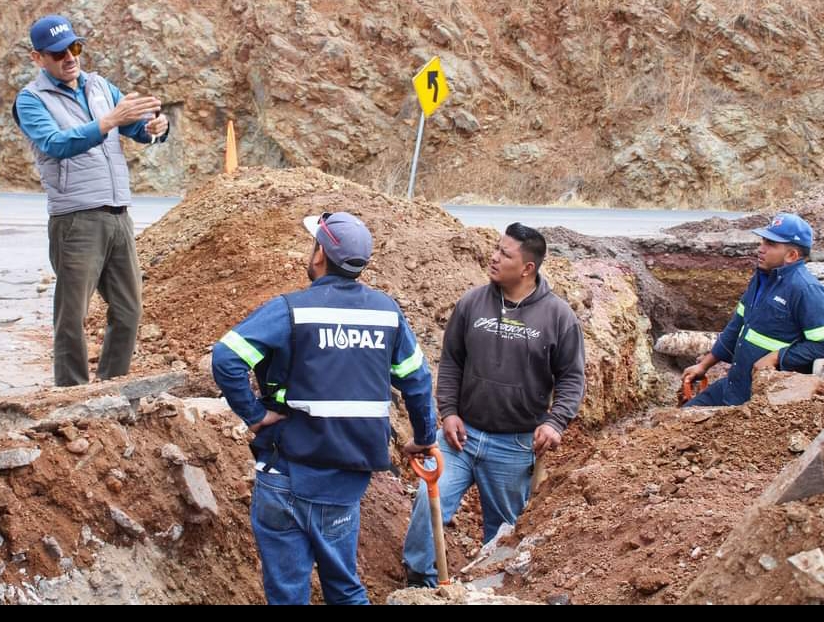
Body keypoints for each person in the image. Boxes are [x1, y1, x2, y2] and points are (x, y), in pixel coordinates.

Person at [212, 212, 437, 604]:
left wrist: (254, 414)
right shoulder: (386, 313)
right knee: (344, 587)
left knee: (287, 592)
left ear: (320, 255)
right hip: (343, 481)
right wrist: (424, 437)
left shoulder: (291, 310)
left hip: (284, 472)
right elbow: (417, 382)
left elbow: (226, 356)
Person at [402, 223, 586, 587]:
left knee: (502, 533)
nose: (494, 257)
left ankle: (486, 591)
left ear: (528, 268)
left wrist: (555, 422)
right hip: (460, 436)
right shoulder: (472, 303)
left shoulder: (558, 317)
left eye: (505, 254)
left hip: (515, 445)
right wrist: (449, 412)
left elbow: (572, 377)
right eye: (496, 249)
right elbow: (452, 360)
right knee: (429, 500)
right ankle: (418, 582)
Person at [13, 15, 169, 386]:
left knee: (129, 310)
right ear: (38, 58)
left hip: (118, 214)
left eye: (75, 48)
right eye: (58, 53)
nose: (70, 57)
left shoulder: (98, 86)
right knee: (72, 315)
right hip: (76, 218)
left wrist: (154, 130)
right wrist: (108, 121)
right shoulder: (31, 100)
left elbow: (133, 127)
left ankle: (113, 386)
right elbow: (54, 144)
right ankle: (72, 392)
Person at [682, 213, 824, 406]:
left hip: (761, 400)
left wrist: (776, 357)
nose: (761, 249)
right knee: (679, 418)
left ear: (792, 255)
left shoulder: (806, 290)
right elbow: (736, 326)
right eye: (763, 241)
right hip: (734, 386)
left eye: (771, 244)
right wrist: (703, 365)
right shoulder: (761, 279)